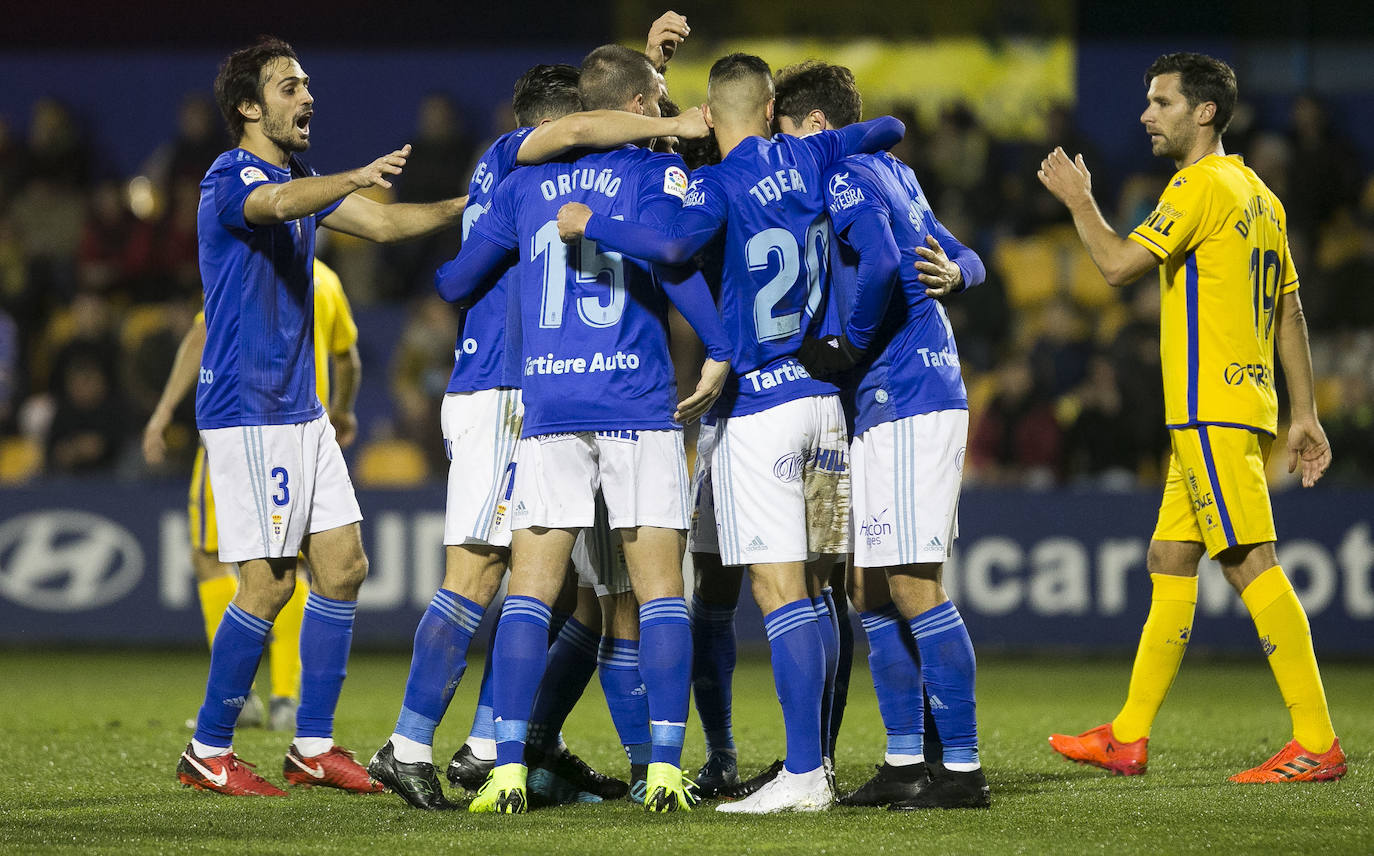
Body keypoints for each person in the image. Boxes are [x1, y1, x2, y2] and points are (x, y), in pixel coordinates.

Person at [557, 53, 904, 813]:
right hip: (825, 408)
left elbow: (674, 248)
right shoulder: (813, 151)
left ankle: (804, 774)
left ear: (708, 117)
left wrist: (593, 224)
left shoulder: (715, 185)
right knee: (819, 587)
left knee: (777, 590)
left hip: (762, 409)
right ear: (775, 102)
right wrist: (840, 139)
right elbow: (890, 126)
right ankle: (817, 763)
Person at [366, 53, 713, 810]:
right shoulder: (519, 156)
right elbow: (598, 123)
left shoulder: (525, 184)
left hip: (547, 394)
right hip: (506, 388)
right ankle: (419, 743)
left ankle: (522, 743)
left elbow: (455, 277)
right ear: (555, 129)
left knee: (583, 594)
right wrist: (677, 119)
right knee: (487, 573)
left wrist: (650, 65)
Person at [1037, 52, 1345, 783]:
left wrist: (1080, 199)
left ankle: (1317, 742)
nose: (1146, 114)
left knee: (1248, 563)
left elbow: (1115, 266)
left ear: (1203, 112)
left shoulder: (1199, 186)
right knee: (1170, 560)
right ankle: (1129, 735)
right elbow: (1289, 310)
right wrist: (1303, 413)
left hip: (1213, 411)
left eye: (1162, 102)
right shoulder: (1258, 194)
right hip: (1229, 412)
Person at [176, 36, 469, 797]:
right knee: (269, 585)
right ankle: (208, 749)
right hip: (249, 409)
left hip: (300, 410)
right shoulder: (229, 176)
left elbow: (379, 225)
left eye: (306, 84)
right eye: (287, 87)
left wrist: (473, 205)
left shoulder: (302, 175)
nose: (306, 97)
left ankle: (312, 745)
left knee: (343, 569)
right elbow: (271, 206)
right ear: (247, 106)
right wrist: (352, 177)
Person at [778, 60, 991, 810]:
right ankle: (905, 761)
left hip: (905, 393)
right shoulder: (896, 172)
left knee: (911, 585)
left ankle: (960, 771)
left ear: (814, 127)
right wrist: (960, 277)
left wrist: (850, 345)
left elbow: (883, 263)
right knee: (869, 588)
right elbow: (969, 257)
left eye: (787, 134)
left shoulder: (845, 174)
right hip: (901, 396)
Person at [144, 258, 360, 733]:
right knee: (297, 565)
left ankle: (240, 701)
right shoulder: (328, 281)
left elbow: (202, 339)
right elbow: (348, 357)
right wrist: (342, 411)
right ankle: (288, 696)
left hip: (243, 426)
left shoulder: (245, 268)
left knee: (210, 555)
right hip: (308, 431)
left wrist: (162, 412)